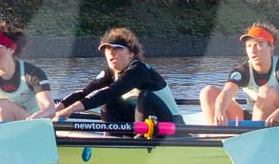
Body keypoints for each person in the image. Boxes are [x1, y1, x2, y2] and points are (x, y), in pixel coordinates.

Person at [54, 27, 186, 131]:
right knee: (105, 99)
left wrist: (71, 110)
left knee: (144, 96)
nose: (111, 52)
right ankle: (112, 138)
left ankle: (138, 143)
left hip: (171, 126)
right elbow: (84, 93)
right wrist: (56, 109)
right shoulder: (110, 73)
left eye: (117, 48)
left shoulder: (139, 70)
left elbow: (112, 91)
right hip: (141, 124)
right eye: (107, 48)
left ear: (131, 53)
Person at [199, 23, 279, 127]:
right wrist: (219, 110)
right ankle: (217, 134)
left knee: (265, 91)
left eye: (259, 44)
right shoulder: (242, 71)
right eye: (249, 45)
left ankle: (253, 137)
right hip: (251, 116)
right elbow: (227, 92)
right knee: (207, 92)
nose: (253, 51)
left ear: (271, 46)